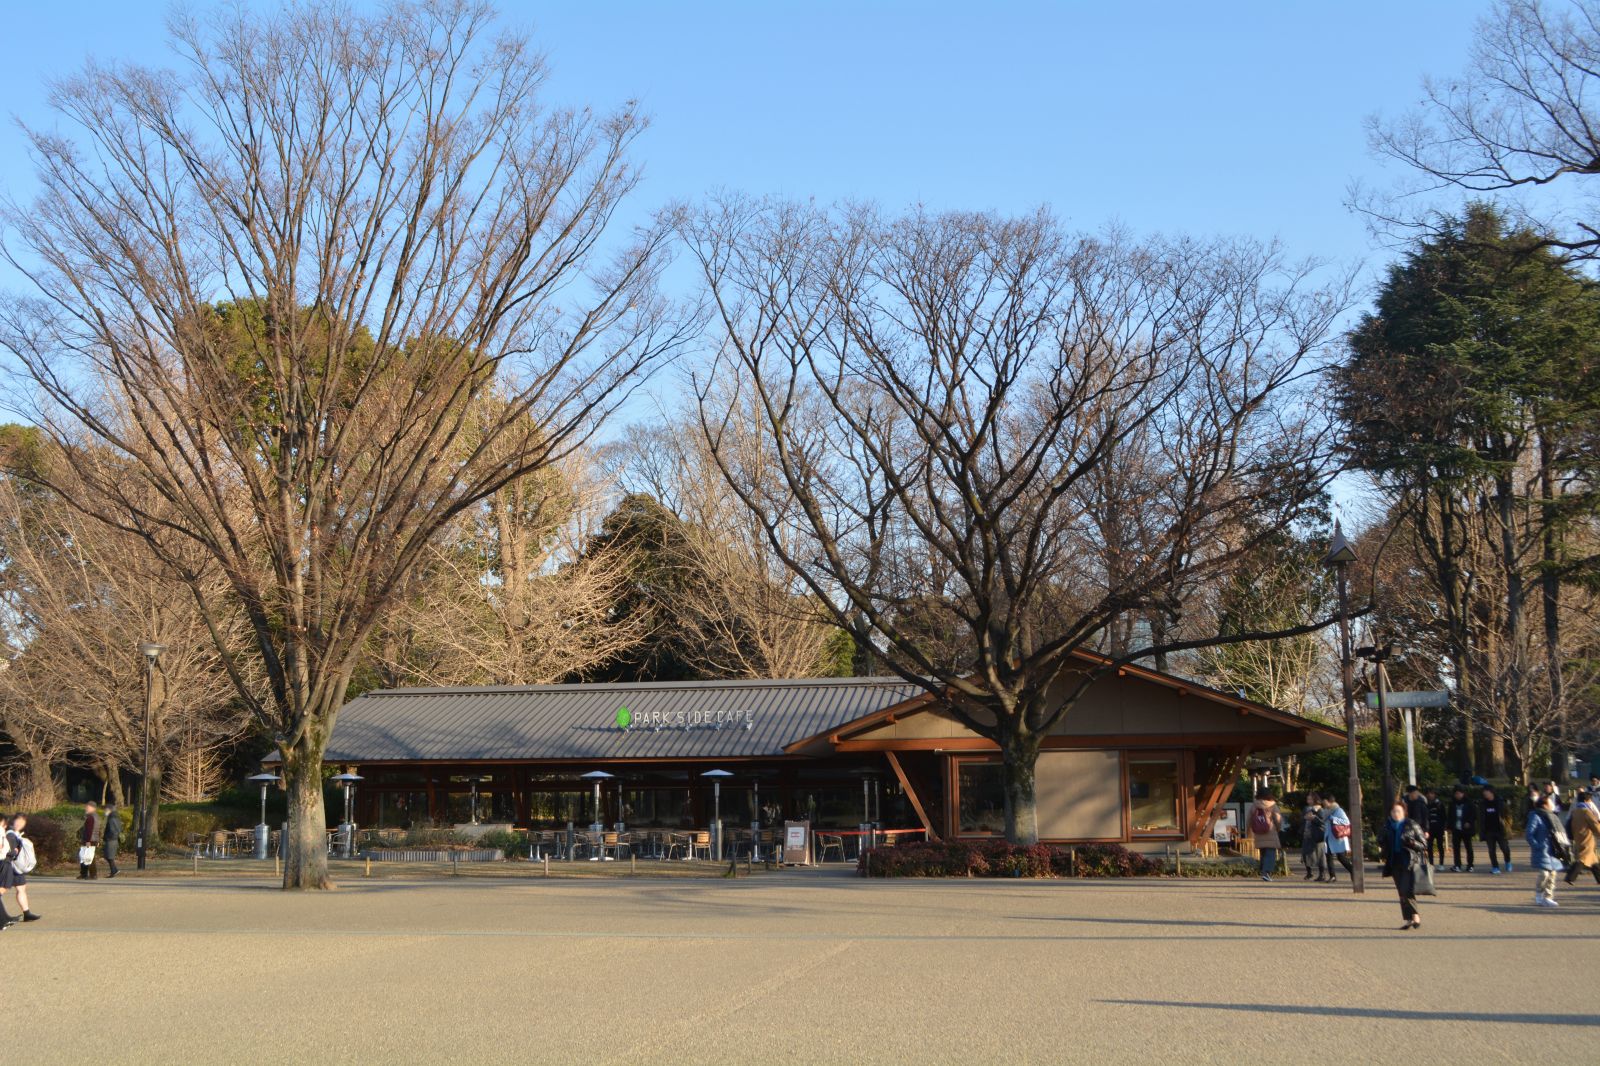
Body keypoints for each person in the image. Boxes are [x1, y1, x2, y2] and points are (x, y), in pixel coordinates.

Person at [1380, 799, 1428, 930]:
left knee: (1406, 889)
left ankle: (1415, 916)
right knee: (1401, 892)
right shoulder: (1388, 826)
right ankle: (1408, 919)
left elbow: (1424, 844)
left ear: (1404, 812)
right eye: (1393, 811)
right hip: (1394, 861)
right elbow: (1382, 842)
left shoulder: (1411, 824)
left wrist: (1412, 843)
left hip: (1409, 861)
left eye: (1398, 811)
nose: (1396, 814)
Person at [1526, 790, 1568, 908]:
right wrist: (1537, 845)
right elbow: (1529, 834)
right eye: (1550, 803)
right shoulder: (1535, 816)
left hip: (1554, 849)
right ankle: (1539, 894)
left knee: (1553, 874)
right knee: (1544, 874)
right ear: (1544, 805)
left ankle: (1548, 897)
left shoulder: (1552, 817)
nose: (1552, 805)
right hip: (1543, 849)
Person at [0, 814, 42, 927]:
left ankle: (26, 913)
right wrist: (15, 851)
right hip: (8, 865)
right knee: (2, 891)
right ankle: (4, 918)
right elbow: (6, 850)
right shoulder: (8, 833)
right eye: (18, 821)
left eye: (22, 822)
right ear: (12, 822)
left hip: (15, 867)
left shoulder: (15, 834)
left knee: (21, 888)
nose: (20, 823)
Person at [1564, 789, 1600, 887]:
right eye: (1589, 800)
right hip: (1587, 837)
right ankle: (1570, 877)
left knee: (1593, 860)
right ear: (1586, 801)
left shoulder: (1575, 811)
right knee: (1583, 858)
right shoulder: (1586, 811)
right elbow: (1595, 825)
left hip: (1578, 836)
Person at [1248, 790, 1284, 882]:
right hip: (1270, 832)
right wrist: (1278, 828)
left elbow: (1249, 819)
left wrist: (1251, 830)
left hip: (1258, 833)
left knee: (1263, 853)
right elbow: (1278, 819)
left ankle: (1263, 871)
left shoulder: (1254, 805)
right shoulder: (1272, 805)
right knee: (1270, 854)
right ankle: (1266, 872)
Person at [1320, 794, 1356, 880]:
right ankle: (1332, 876)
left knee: (1341, 857)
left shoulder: (1338, 810)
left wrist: (1333, 818)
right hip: (1328, 837)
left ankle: (1353, 871)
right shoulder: (1325, 811)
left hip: (1338, 838)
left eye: (1325, 802)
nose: (1324, 804)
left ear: (1330, 802)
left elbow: (1346, 822)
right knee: (1328, 856)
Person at [1481, 785, 1512, 873]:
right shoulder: (1483, 804)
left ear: (1491, 792)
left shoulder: (1500, 802)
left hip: (1500, 830)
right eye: (1484, 793)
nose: (1485, 794)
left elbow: (1508, 815)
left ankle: (1508, 861)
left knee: (1504, 848)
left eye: (1486, 792)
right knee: (1491, 850)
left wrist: (1507, 825)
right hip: (1488, 830)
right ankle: (1495, 867)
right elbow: (1481, 817)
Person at [1446, 785, 1477, 872]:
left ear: (1463, 793)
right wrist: (1449, 827)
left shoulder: (1469, 803)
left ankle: (1470, 865)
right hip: (1456, 828)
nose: (1458, 795)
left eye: (1459, 793)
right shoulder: (1452, 803)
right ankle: (1457, 865)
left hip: (1466, 829)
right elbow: (1450, 816)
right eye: (1456, 794)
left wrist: (1469, 822)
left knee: (1469, 847)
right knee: (1456, 848)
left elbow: (1474, 815)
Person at [1299, 792, 1327, 881]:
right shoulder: (1306, 809)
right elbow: (1303, 819)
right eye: (1308, 798)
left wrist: (1314, 818)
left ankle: (1322, 874)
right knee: (1305, 854)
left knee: (1320, 855)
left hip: (1317, 835)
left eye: (1310, 799)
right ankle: (1309, 872)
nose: (1308, 800)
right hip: (1307, 834)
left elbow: (1323, 823)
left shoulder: (1320, 810)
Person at [1425, 787, 1447, 867]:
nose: (1430, 795)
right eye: (1428, 793)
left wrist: (1444, 827)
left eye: (1431, 793)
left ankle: (1441, 863)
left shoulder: (1439, 804)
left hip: (1439, 828)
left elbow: (1444, 816)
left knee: (1440, 846)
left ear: (1435, 794)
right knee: (1429, 847)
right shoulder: (1426, 804)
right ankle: (1431, 863)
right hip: (1430, 829)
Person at [78, 801, 100, 880]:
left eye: (88, 807)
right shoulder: (96, 816)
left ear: (92, 808)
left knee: (89, 858)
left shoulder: (91, 817)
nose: (86, 808)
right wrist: (98, 840)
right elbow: (98, 830)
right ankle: (84, 873)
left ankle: (92, 874)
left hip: (89, 840)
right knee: (84, 856)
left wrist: (88, 841)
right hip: (93, 840)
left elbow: (89, 830)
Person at [102, 804, 122, 879]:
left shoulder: (112, 818)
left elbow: (113, 830)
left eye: (106, 810)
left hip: (111, 840)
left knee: (109, 856)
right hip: (113, 839)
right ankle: (114, 870)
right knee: (108, 856)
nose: (105, 811)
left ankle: (114, 870)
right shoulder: (115, 817)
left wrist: (107, 837)